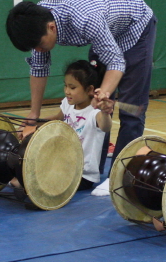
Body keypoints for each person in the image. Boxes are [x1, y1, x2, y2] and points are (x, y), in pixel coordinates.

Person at [5, 0, 156, 177]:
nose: (39, 50)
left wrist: (105, 92)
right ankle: (93, 171)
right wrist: (34, 113)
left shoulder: (85, 19)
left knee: (129, 109)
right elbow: (39, 68)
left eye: (40, 45)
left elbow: (116, 61)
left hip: (135, 27)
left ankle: (118, 177)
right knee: (94, 108)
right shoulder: (37, 21)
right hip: (106, 26)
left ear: (51, 28)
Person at [32, 60, 112, 191]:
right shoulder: (67, 104)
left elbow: (106, 127)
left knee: (43, 180)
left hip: (82, 175)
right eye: (66, 86)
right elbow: (57, 119)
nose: (67, 91)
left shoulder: (95, 114)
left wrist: (105, 112)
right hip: (63, 166)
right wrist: (33, 123)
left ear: (90, 89)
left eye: (72, 87)